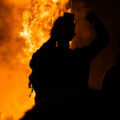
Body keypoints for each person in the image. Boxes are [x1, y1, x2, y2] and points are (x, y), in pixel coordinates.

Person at [21, 12, 110, 119]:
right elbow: (104, 39)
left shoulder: (45, 58)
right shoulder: (79, 57)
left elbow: (34, 61)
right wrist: (94, 20)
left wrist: (54, 36)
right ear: (72, 34)